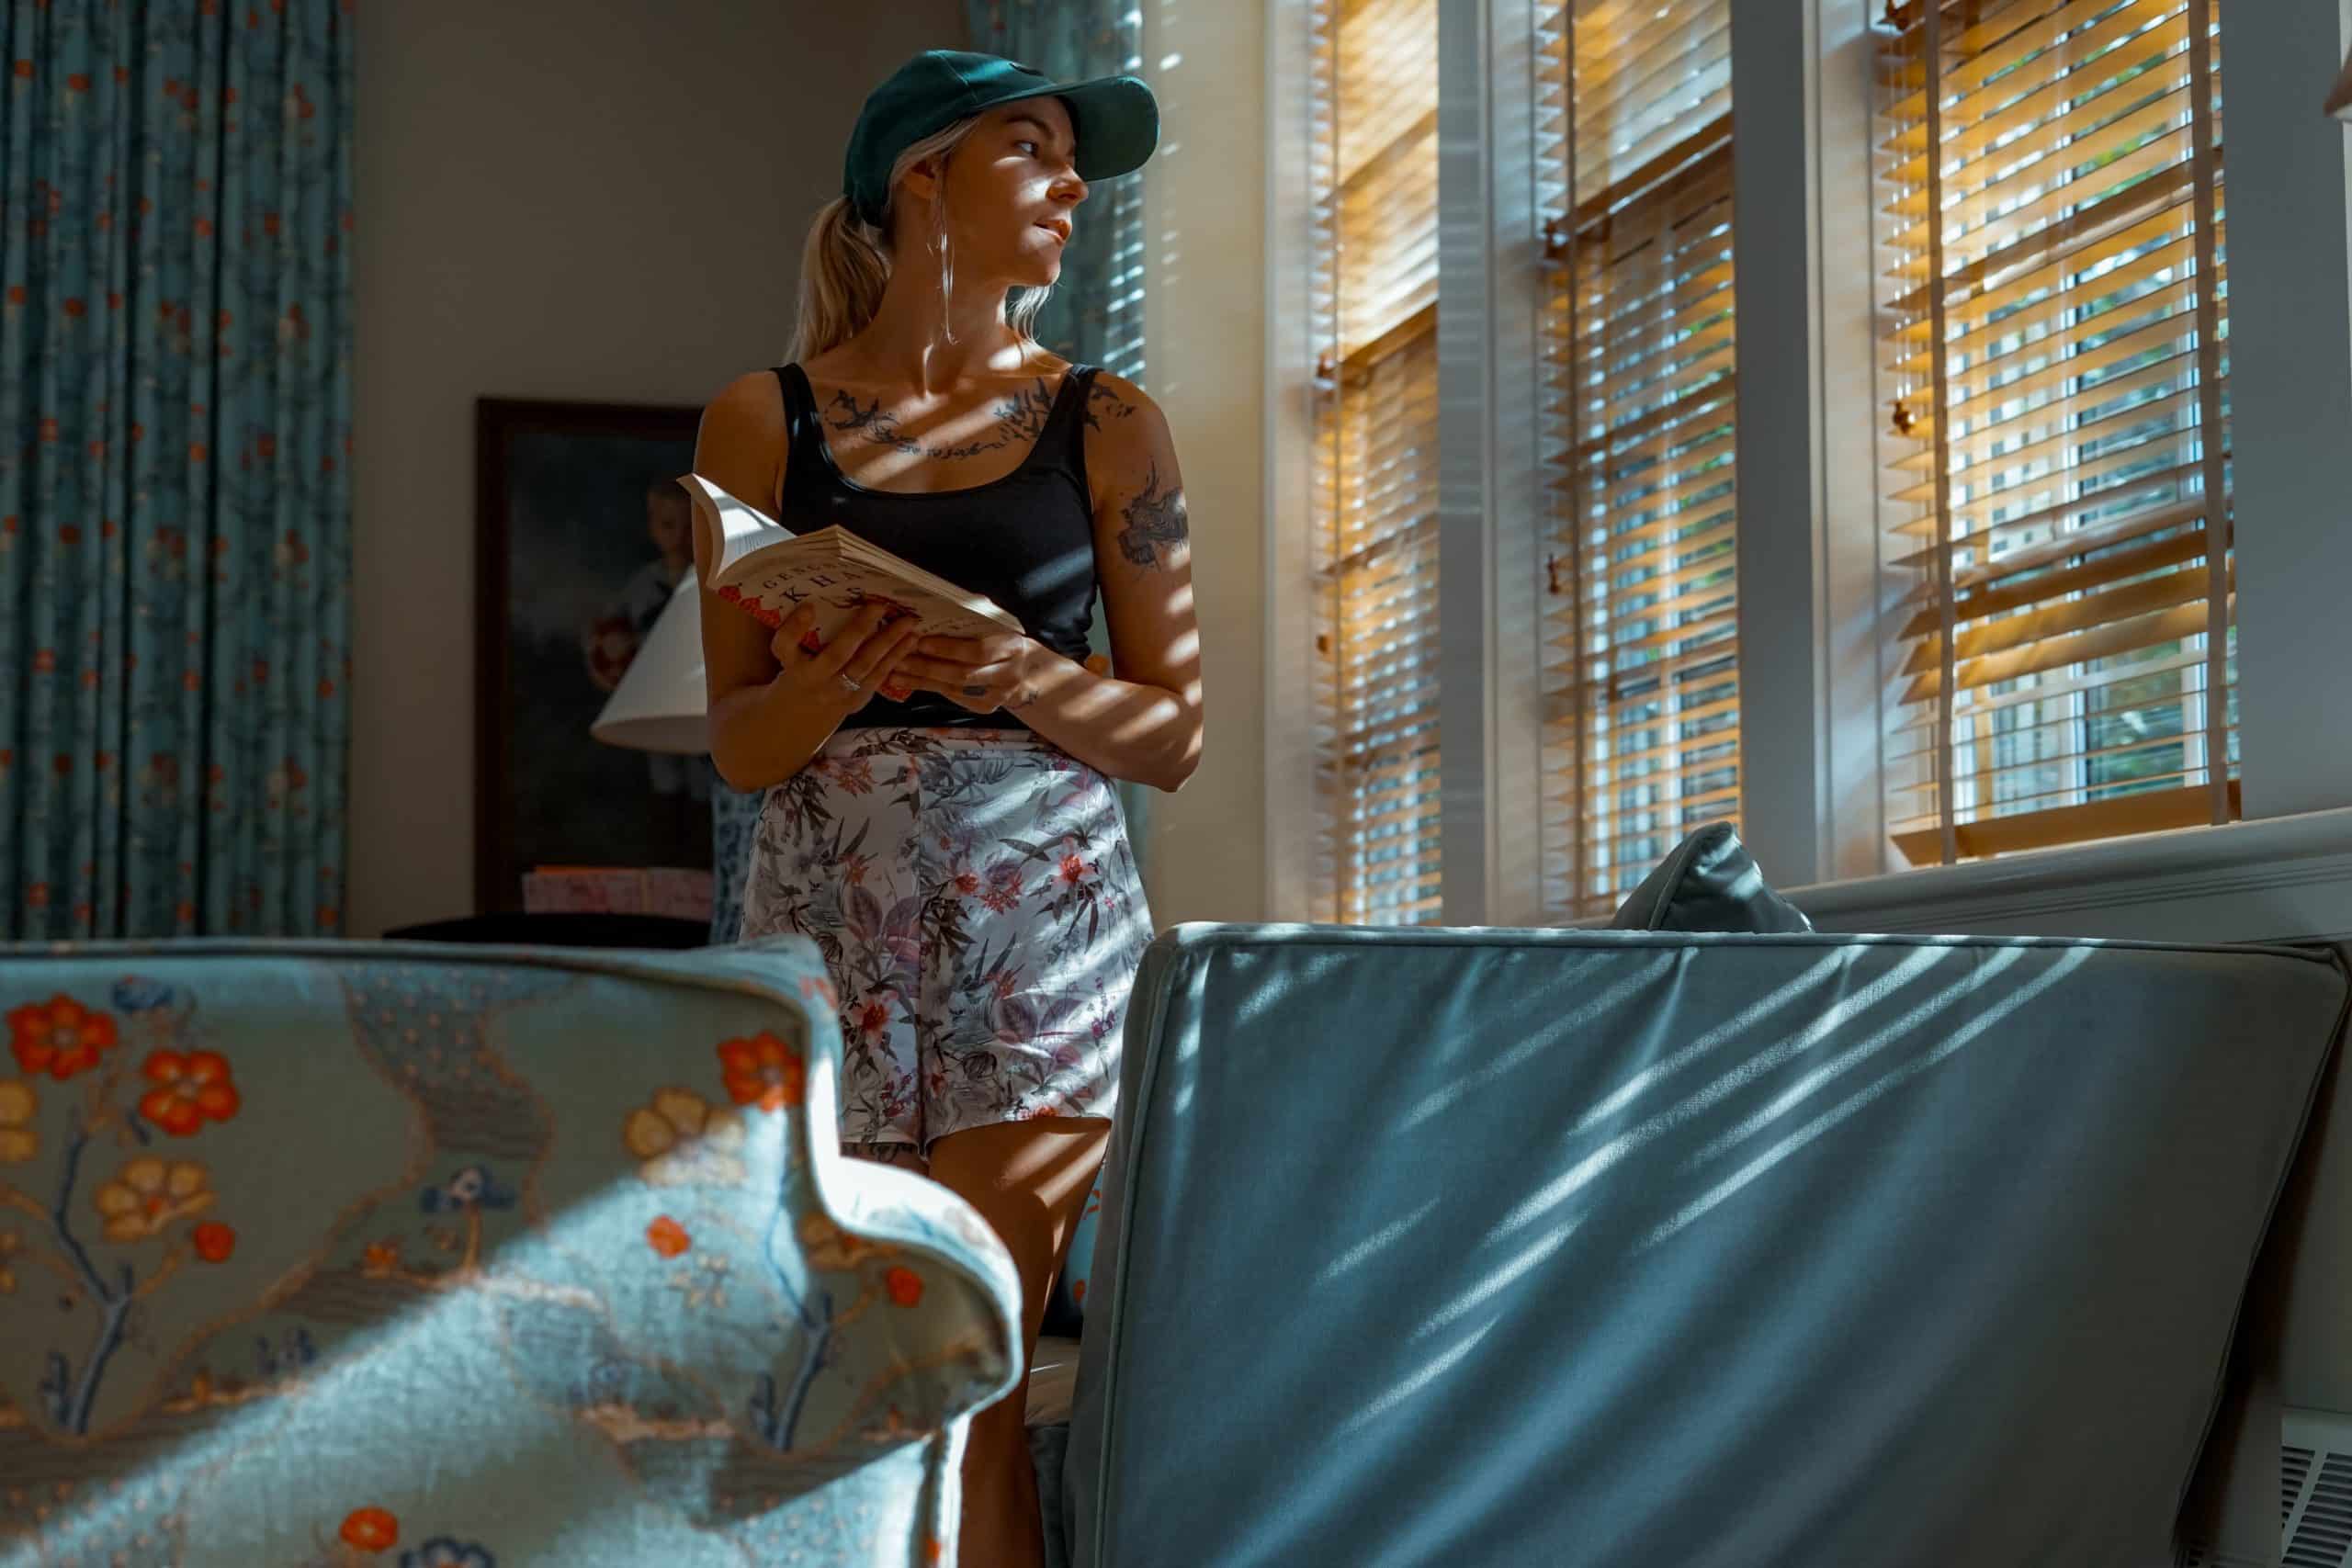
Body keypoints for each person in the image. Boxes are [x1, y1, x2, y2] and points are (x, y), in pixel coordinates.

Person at [686, 49, 1201, 1566]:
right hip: (825, 923)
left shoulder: (1111, 425)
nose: (1072, 188)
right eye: (1034, 150)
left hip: (1041, 925)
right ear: (925, 177)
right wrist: (835, 681)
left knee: (971, 1365)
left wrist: (1016, 670)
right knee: (862, 1370)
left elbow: (1167, 736)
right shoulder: (756, 422)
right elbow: (741, 746)